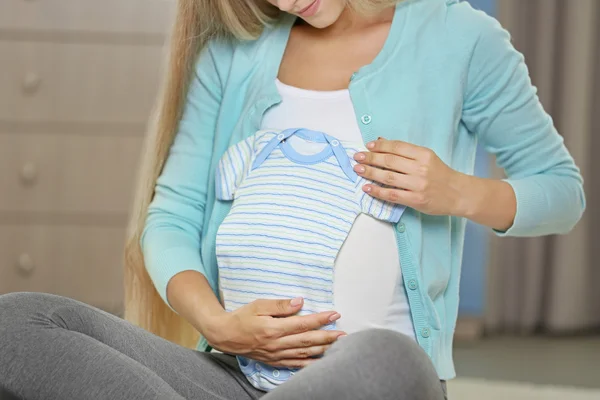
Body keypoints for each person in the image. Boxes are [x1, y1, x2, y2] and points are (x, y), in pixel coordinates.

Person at [0, 0, 585, 399]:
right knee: (19, 320)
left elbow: (562, 190)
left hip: (368, 378)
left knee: (385, 358)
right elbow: (171, 216)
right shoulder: (233, 54)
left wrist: (459, 191)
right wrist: (219, 326)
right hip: (231, 375)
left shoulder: (459, 38)